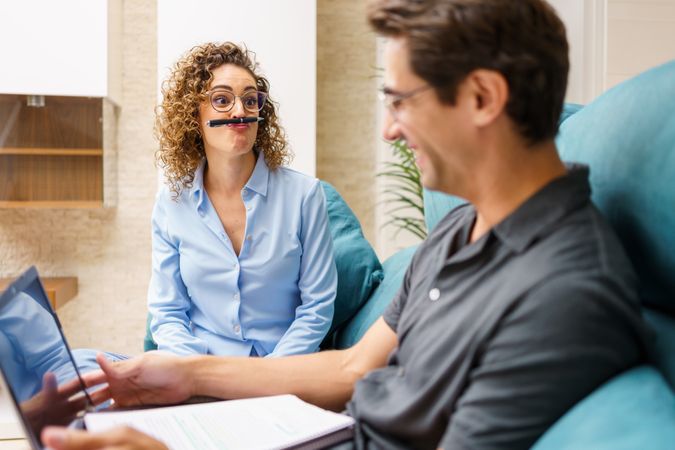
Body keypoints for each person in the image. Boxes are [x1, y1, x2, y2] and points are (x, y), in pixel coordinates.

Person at [41, 1, 651, 449]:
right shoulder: (459, 231)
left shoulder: (564, 292)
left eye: (402, 101)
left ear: (483, 98)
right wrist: (181, 376)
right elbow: (351, 370)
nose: (390, 130)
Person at [147, 42, 337, 357]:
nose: (239, 111)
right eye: (222, 99)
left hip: (282, 371)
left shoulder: (305, 196)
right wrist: (203, 375)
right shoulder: (171, 203)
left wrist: (266, 376)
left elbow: (317, 308)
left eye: (250, 100)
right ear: (194, 115)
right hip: (202, 372)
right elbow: (167, 314)